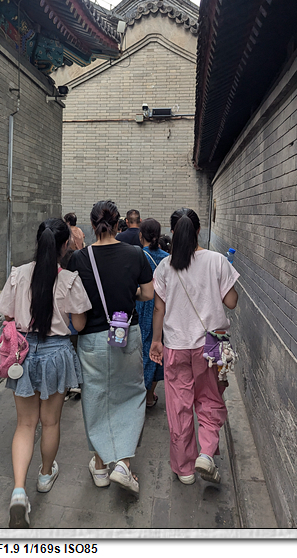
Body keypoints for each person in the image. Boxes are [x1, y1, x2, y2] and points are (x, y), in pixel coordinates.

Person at [0, 218, 92, 528]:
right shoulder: (69, 280)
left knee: (25, 424)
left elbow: (8, 314)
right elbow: (79, 324)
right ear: (64, 245)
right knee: (50, 422)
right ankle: (45, 475)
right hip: (57, 354)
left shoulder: (18, 274)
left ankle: (18, 492)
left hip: (23, 354)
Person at [67, 200, 154, 494]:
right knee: (131, 395)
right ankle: (124, 464)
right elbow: (148, 293)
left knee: (96, 399)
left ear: (92, 225)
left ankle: (101, 466)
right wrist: (130, 294)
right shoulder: (135, 254)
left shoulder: (78, 259)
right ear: (119, 224)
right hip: (126, 333)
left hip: (91, 339)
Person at [149, 208, 239, 485]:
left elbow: (158, 309)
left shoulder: (165, 266)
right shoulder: (217, 261)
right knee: (210, 400)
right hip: (210, 345)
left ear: (173, 232)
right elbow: (231, 302)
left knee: (179, 407)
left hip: (176, 345)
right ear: (198, 230)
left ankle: (185, 468)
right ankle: (207, 453)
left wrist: (156, 341)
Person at [134, 218, 168, 408]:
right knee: (156, 347)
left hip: (141, 304)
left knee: (139, 349)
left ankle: (138, 394)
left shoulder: (137, 256)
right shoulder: (167, 258)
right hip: (163, 308)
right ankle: (149, 395)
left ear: (141, 236)